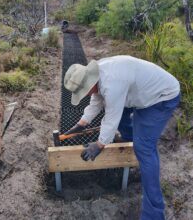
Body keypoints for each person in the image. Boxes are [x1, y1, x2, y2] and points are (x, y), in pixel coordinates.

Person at [64, 55, 180, 220]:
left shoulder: (112, 84)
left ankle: (154, 213)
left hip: (160, 97)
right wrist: (82, 123)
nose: (83, 94)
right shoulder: (96, 74)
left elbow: (111, 118)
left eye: (83, 91)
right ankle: (130, 142)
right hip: (139, 89)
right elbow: (96, 100)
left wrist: (99, 145)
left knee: (144, 149)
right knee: (124, 123)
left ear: (89, 83)